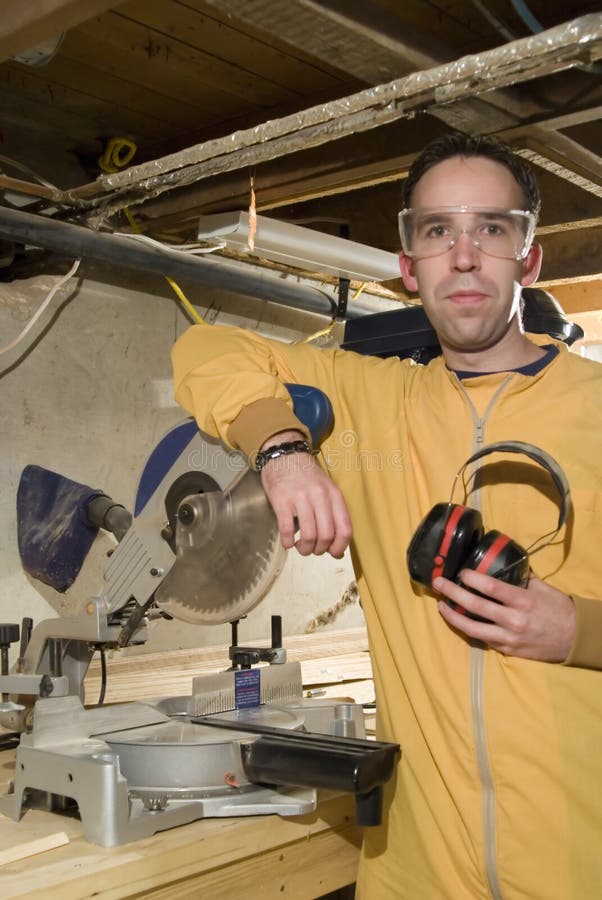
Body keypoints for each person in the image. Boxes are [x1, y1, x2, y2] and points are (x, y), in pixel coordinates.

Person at [171, 133, 602, 899]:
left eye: (491, 229)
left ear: (528, 260)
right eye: (438, 231)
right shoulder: (375, 402)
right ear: (409, 268)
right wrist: (282, 448)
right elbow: (205, 349)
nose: (464, 257)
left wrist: (579, 632)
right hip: (418, 875)